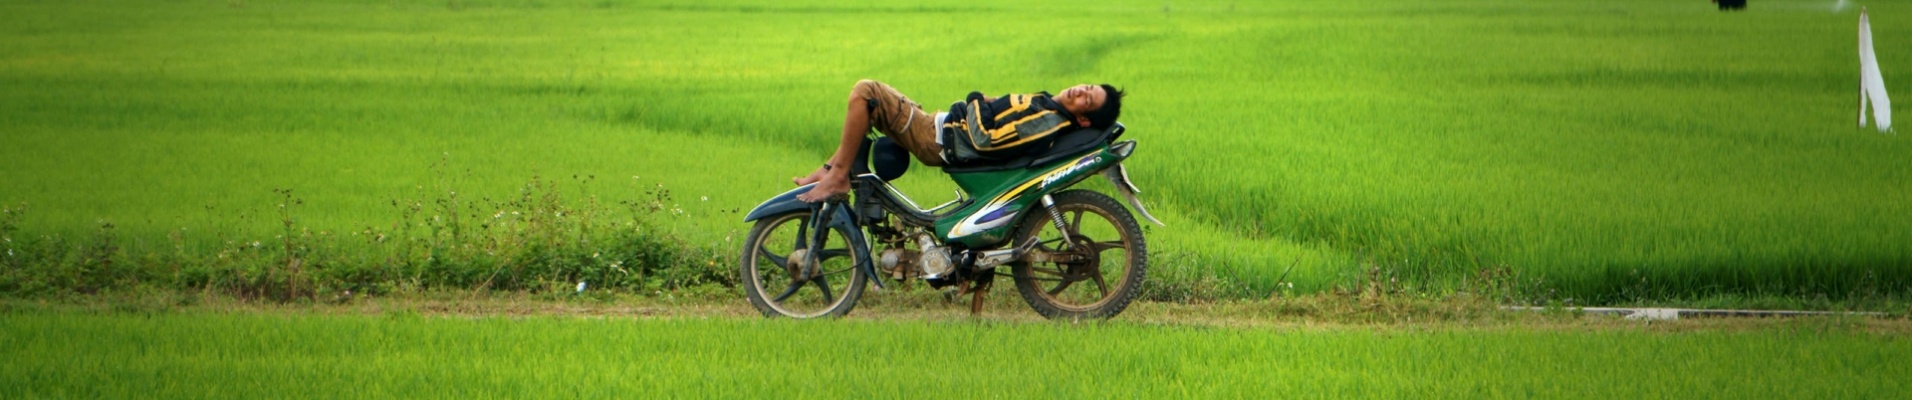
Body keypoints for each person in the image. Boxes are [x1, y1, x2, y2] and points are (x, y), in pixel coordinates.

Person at [794, 80, 1125, 202]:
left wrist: (976, 99)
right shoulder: (1048, 107)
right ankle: (831, 169)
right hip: (939, 127)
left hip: (937, 138)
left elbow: (985, 138)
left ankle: (837, 177)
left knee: (866, 93)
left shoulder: (1045, 120)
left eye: (1087, 100)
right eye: (1087, 88)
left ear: (1083, 119)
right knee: (873, 106)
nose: (1081, 91)